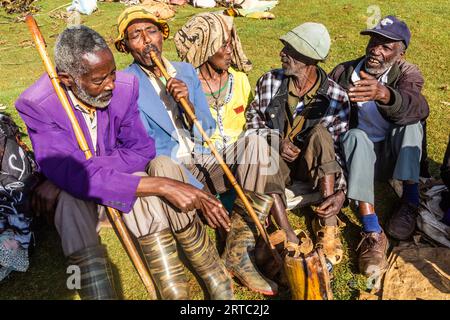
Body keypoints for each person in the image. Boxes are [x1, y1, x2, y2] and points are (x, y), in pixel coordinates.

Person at [16, 25, 234, 300]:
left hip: (114, 180)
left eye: (112, 73)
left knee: (163, 166)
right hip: (82, 198)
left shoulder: (124, 88)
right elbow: (70, 171)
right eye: (98, 79)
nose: (110, 84)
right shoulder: (38, 104)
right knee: (72, 201)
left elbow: (142, 151)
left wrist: (82, 171)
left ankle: (197, 279)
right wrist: (161, 186)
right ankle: (100, 293)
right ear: (67, 80)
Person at [115, 6, 290, 296]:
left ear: (163, 35)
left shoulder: (184, 71)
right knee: (160, 163)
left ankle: (237, 252)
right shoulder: (126, 85)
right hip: (174, 170)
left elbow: (207, 129)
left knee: (258, 142)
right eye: (136, 35)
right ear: (125, 46)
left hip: (207, 156)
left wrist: (189, 106)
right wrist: (201, 194)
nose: (147, 41)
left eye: (152, 31)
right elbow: (145, 150)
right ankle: (217, 258)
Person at [329, 16, 429, 276]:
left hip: (394, 158)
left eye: (386, 46)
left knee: (411, 123)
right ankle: (371, 229)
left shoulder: (407, 73)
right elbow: (326, 116)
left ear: (400, 53)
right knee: (354, 136)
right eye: (374, 42)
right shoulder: (343, 73)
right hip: (359, 160)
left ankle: (409, 201)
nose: (376, 50)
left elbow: (417, 105)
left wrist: (384, 94)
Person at [245, 22, 350, 266]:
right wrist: (276, 141)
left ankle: (328, 222)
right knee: (262, 147)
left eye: (290, 50)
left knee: (322, 134)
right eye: (284, 48)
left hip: (311, 168)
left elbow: (338, 149)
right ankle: (285, 230)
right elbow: (252, 123)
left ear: (310, 58)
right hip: (275, 167)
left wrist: (341, 191)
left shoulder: (337, 96)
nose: (282, 53)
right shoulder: (269, 81)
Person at [174, 12, 253, 150]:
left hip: (242, 158)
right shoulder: (186, 85)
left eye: (230, 44)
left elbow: (252, 124)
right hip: (204, 160)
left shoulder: (240, 80)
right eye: (223, 45)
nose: (230, 51)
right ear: (204, 48)